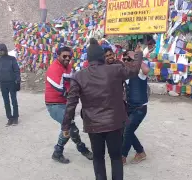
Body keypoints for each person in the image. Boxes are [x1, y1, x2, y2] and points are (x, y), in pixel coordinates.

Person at [61, 38, 143, 180]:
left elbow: (71, 104)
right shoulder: (116, 69)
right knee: (116, 158)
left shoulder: (78, 76)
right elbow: (135, 70)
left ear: (88, 58)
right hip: (114, 123)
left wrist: (66, 126)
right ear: (102, 57)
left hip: (93, 125)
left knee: (98, 159)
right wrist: (138, 54)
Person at [45, 46, 93, 164]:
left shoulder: (69, 67)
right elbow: (61, 88)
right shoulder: (54, 68)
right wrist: (79, 96)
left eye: (69, 56)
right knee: (71, 128)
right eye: (64, 56)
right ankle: (81, 148)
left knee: (67, 128)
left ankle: (58, 152)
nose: (67, 58)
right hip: (54, 104)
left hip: (65, 103)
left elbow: (75, 81)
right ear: (58, 56)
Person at [121, 51, 150, 165]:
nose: (126, 62)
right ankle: (140, 152)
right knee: (126, 130)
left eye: (129, 59)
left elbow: (147, 70)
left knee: (127, 130)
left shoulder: (140, 73)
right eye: (125, 59)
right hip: (129, 108)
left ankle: (123, 156)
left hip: (140, 109)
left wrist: (137, 58)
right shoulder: (125, 74)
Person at [0, 44, 21, 126]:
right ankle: (10, 118)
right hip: (3, 83)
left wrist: (18, 81)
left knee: (14, 101)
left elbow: (17, 70)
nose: (0, 52)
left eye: (2, 50)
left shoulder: (12, 59)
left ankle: (15, 117)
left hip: (12, 82)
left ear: (5, 50)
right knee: (6, 102)